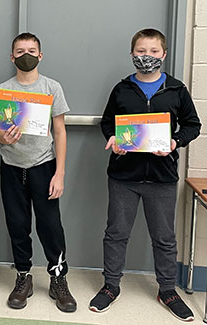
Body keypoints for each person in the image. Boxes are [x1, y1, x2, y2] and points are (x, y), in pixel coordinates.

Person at [89, 28, 201, 322]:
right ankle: (111, 286)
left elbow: (193, 124)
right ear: (132, 54)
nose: (146, 56)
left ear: (163, 55)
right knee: (116, 234)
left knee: (164, 238)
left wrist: (176, 141)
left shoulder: (176, 90)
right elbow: (107, 122)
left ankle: (167, 290)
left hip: (162, 177)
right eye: (141, 51)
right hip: (124, 177)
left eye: (153, 51)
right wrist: (113, 138)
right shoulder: (122, 89)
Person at [0, 32, 77, 312]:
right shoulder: (3, 90)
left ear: (40, 55)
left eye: (31, 50)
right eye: (19, 50)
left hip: (44, 165)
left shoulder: (51, 87)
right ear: (12, 56)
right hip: (11, 167)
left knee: (50, 226)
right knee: (17, 224)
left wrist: (60, 173)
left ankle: (58, 278)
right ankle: (23, 276)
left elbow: (60, 131)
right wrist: (5, 138)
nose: (25, 54)